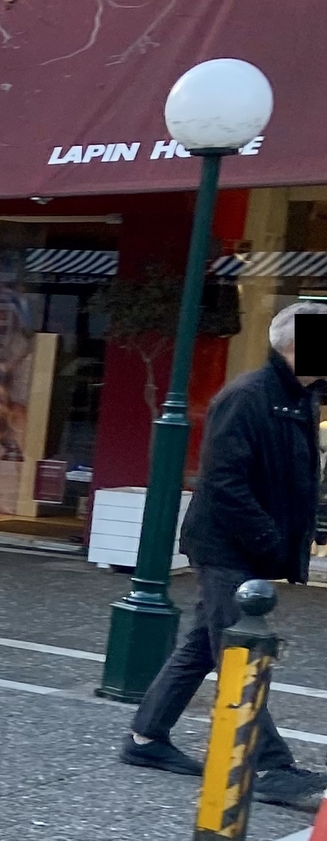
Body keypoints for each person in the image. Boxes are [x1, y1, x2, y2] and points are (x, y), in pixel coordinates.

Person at [123, 300, 327, 807]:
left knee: (202, 643)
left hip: (246, 546)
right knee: (239, 651)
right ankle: (270, 766)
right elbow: (223, 482)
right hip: (224, 545)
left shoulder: (300, 397)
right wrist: (271, 540)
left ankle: (145, 738)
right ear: (294, 347)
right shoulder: (248, 396)